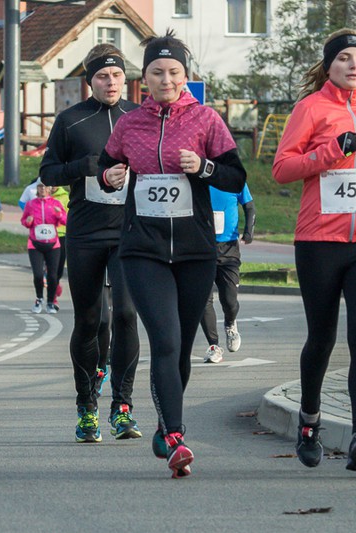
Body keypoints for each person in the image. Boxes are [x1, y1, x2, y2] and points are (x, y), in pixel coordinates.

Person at [98, 31, 246, 477]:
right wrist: (110, 176)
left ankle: (165, 424)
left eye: (174, 72)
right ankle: (178, 435)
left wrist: (204, 167)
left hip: (196, 251)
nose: (166, 79)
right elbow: (106, 166)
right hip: (142, 249)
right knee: (164, 339)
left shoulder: (206, 120)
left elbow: (236, 178)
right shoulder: (129, 123)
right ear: (143, 79)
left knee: (180, 347)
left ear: (186, 77)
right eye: (157, 72)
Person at [272, 29, 356, 472]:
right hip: (319, 241)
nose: (353, 65)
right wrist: (329, 151)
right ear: (328, 66)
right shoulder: (310, 108)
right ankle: (309, 423)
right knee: (322, 338)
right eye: (344, 58)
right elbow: (282, 169)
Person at [39, 43, 141, 443]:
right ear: (90, 81)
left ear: (125, 79)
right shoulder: (71, 120)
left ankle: (123, 408)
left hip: (131, 231)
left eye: (116, 75)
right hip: (85, 233)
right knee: (90, 320)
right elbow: (48, 170)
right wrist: (85, 167)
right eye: (102, 76)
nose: (110, 82)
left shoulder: (139, 116)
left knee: (127, 316)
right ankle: (86, 408)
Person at [199, 184, 256, 364]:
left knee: (230, 301)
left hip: (229, 248)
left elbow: (249, 206)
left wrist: (249, 231)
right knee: (203, 300)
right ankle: (214, 346)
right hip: (201, 247)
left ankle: (230, 324)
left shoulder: (233, 177)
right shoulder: (196, 177)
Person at [20, 180, 67, 314]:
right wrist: (28, 222)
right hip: (35, 244)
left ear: (50, 189)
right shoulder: (31, 204)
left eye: (45, 187)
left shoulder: (55, 203)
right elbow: (24, 220)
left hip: (53, 244)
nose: (43, 189)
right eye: (40, 187)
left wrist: (59, 214)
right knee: (38, 274)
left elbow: (65, 220)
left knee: (53, 276)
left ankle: (51, 301)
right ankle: (39, 298)